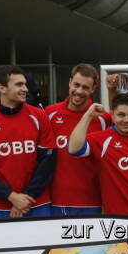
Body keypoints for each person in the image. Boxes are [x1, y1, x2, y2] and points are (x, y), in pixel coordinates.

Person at [0, 66, 55, 219]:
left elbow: (48, 161)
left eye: (25, 84)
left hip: (37, 203)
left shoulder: (39, 116)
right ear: (2, 88)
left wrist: (27, 196)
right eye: (19, 84)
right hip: (1, 206)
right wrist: (11, 196)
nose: (25, 89)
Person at [69, 93, 128, 219]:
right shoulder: (102, 139)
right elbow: (73, 149)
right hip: (116, 220)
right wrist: (88, 115)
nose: (126, 120)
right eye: (121, 115)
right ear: (112, 115)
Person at [45, 64, 107, 217]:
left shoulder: (102, 119)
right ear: (69, 82)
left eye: (85, 87)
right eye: (76, 85)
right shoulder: (50, 113)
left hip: (92, 200)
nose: (79, 91)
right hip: (58, 199)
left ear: (93, 89)